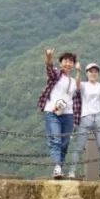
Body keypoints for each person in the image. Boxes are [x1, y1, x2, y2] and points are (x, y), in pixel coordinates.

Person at [38, 49, 82, 179]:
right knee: (55, 139)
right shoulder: (56, 75)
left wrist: (79, 72)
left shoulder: (73, 80)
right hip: (52, 111)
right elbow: (49, 69)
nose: (68, 63)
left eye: (71, 61)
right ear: (61, 62)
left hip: (68, 114)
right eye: (65, 61)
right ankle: (57, 167)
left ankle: (59, 168)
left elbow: (78, 89)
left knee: (65, 142)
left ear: (73, 64)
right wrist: (49, 56)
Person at [68, 61, 100, 180]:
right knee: (79, 146)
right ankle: (72, 172)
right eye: (91, 71)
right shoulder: (84, 85)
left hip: (99, 117)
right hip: (86, 117)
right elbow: (77, 85)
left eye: (95, 71)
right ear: (87, 73)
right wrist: (78, 71)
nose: (93, 73)